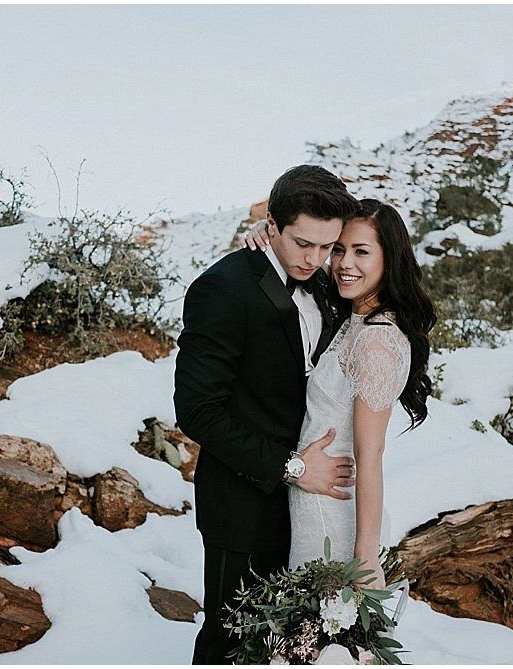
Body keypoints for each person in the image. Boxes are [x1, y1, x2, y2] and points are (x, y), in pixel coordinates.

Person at [174, 165, 360, 665]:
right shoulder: (223, 289)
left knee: (292, 645)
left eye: (328, 246)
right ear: (271, 224)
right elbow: (197, 411)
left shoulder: (323, 282)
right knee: (229, 642)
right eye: (303, 243)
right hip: (243, 505)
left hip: (315, 511)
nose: (316, 259)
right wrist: (293, 468)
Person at [244, 198, 435, 591]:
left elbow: (371, 453)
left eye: (362, 251)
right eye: (339, 250)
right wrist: (270, 242)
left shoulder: (376, 341)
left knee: (318, 634)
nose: (345, 263)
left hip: (329, 511)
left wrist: (365, 553)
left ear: (390, 258)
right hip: (309, 497)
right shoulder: (354, 318)